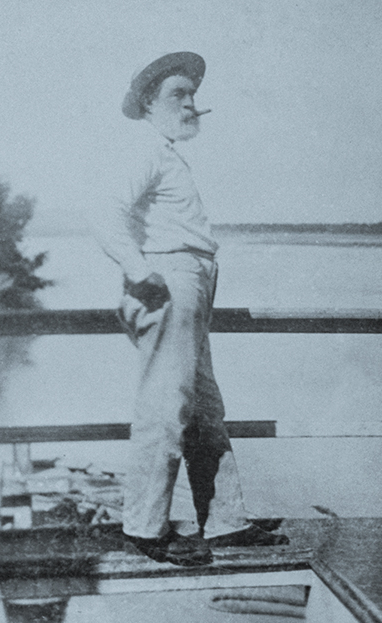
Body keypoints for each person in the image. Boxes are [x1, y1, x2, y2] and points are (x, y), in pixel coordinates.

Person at [90, 52, 288, 566]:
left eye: (193, 95)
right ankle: (145, 528)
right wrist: (137, 270)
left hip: (190, 280)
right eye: (178, 95)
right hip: (167, 279)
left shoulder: (169, 153)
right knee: (166, 406)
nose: (191, 104)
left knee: (203, 407)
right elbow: (106, 214)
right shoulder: (145, 151)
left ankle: (225, 523)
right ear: (148, 103)